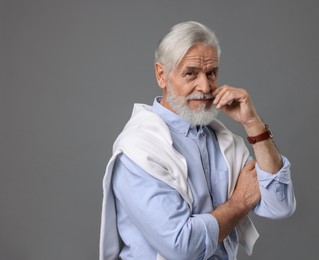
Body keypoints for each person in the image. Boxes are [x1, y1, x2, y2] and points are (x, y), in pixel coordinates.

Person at [100, 21, 296, 260]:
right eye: (191, 73)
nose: (204, 86)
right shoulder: (139, 149)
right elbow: (182, 247)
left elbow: (280, 206)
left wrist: (253, 124)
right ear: (162, 75)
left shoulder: (225, 142)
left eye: (211, 73)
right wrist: (238, 203)